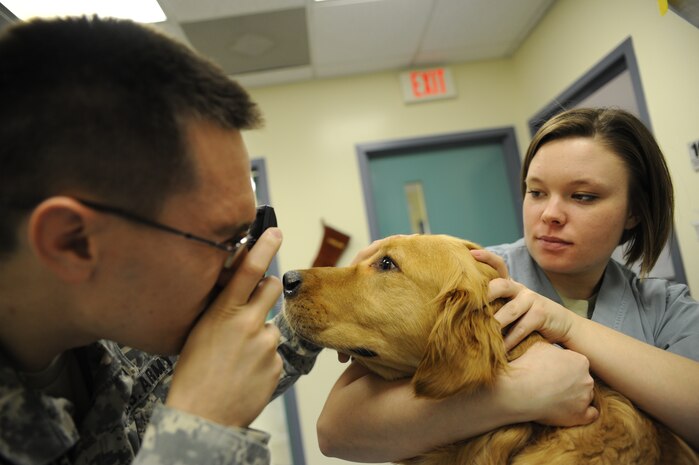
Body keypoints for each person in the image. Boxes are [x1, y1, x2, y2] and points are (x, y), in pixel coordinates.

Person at [0, 16, 321, 465]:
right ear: (73, 242)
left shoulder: (118, 327)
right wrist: (197, 439)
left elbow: (226, 365)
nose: (241, 267)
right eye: (225, 241)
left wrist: (326, 310)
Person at [317, 108, 699, 462]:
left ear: (635, 210)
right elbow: (336, 431)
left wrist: (568, 325)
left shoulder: (665, 309)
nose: (549, 214)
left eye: (582, 196)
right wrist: (516, 397)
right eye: (536, 192)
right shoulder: (473, 276)